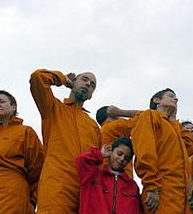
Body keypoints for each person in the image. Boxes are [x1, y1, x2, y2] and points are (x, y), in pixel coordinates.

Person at [30, 69, 100, 214]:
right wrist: (64, 80)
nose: (88, 84)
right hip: (56, 188)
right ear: (73, 82)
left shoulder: (93, 126)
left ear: (91, 96)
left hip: (86, 194)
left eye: (92, 85)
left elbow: (99, 161)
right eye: (84, 79)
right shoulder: (52, 108)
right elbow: (38, 78)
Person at [131, 88, 193, 213]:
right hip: (161, 192)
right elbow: (145, 151)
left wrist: (174, 120)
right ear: (157, 100)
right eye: (171, 96)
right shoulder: (149, 116)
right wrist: (151, 186)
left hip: (181, 199)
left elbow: (191, 147)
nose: (176, 99)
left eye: (176, 97)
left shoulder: (174, 127)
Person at [76, 136, 143, 214]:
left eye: (126, 158)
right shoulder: (93, 176)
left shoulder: (132, 186)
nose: (122, 159)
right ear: (111, 151)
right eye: (119, 154)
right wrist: (100, 154)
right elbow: (82, 160)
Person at [96, 105, 141, 178]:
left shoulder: (101, 132)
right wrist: (120, 112)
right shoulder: (114, 126)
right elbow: (146, 118)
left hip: (103, 176)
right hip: (120, 177)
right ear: (110, 114)